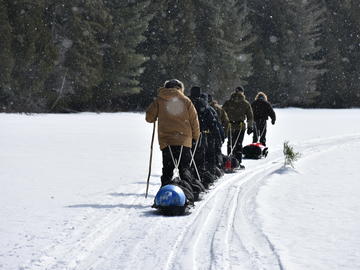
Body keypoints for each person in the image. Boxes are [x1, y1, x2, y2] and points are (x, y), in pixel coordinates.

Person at [145, 79, 200, 187]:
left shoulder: (159, 100)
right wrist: (196, 137)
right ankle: (187, 191)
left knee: (167, 169)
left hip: (166, 141)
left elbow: (149, 118)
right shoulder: (186, 100)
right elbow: (194, 120)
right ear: (180, 88)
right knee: (184, 168)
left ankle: (165, 193)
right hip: (184, 140)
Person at [222, 86, 254, 167]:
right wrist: (250, 127)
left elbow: (222, 113)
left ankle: (229, 161)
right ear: (242, 92)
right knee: (239, 144)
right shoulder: (246, 103)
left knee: (230, 143)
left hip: (230, 126)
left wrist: (222, 124)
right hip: (240, 126)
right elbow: (250, 116)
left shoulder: (228, 102)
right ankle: (238, 162)